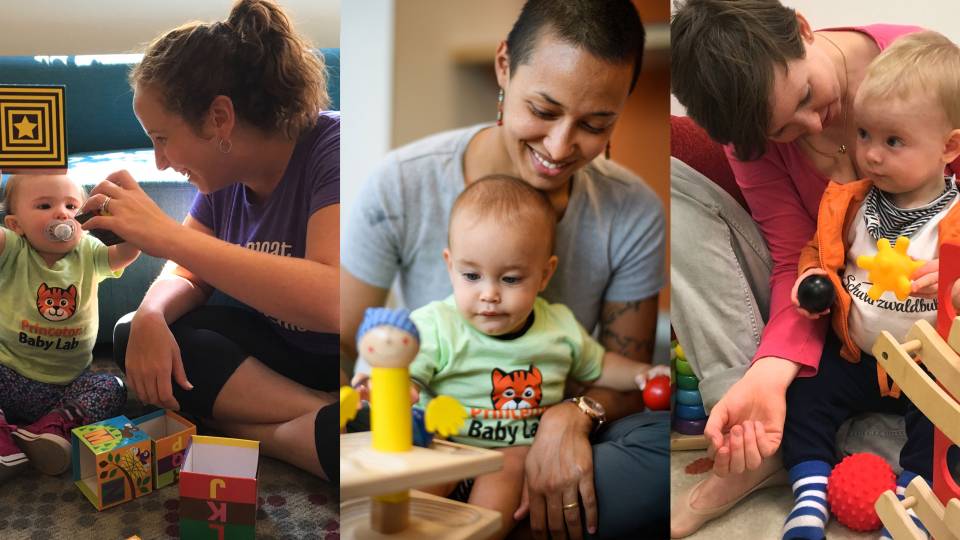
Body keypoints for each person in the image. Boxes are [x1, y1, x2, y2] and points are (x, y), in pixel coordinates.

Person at [343, 1, 667, 537]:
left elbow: (621, 373)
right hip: (437, 438)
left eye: (595, 124)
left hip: (543, 444)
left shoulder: (632, 212)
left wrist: (574, 416)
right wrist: (397, 400)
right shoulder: (400, 184)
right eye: (542, 110)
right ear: (503, 67)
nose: (560, 147)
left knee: (660, 443)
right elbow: (352, 342)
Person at [668, 0, 949, 536]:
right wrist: (770, 370)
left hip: (927, 327)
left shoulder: (923, 70)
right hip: (831, 312)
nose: (813, 124)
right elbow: (793, 259)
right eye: (785, 132)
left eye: (806, 96)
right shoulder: (748, 136)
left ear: (801, 30)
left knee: (932, 413)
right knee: (665, 193)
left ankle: (841, 443)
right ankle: (752, 436)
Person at [85, 0, 340, 481]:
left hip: (356, 363)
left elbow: (333, 300)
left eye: (162, 138)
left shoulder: (334, 149)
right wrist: (151, 314)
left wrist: (166, 235)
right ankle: (321, 417)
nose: (159, 161)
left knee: (377, 441)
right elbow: (186, 273)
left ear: (219, 118)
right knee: (137, 333)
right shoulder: (224, 179)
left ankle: (272, 430)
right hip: (286, 364)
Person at [390, 177, 667, 539]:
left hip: (512, 455)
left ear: (544, 274)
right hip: (444, 445)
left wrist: (641, 374)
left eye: (509, 279)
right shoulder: (436, 324)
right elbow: (404, 370)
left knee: (494, 500)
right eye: (471, 275)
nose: (489, 294)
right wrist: (402, 387)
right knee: (408, 510)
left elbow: (599, 366)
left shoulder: (558, 327)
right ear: (449, 265)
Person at [779, 30, 960, 540]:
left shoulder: (955, 216)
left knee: (947, 427)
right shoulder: (851, 201)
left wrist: (953, 289)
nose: (871, 155)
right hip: (858, 354)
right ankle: (810, 490)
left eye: (893, 141)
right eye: (864, 135)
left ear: (949, 148)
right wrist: (812, 277)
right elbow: (819, 250)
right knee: (803, 395)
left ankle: (913, 504)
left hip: (926, 368)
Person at [0, 174, 140, 479]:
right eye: (45, 205)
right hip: (8, 374)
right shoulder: (13, 248)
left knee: (111, 387)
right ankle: (5, 439)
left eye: (72, 206)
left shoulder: (89, 251)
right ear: (16, 225)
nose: (62, 213)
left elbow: (127, 254)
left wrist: (127, 222)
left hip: (64, 388)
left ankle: (49, 429)